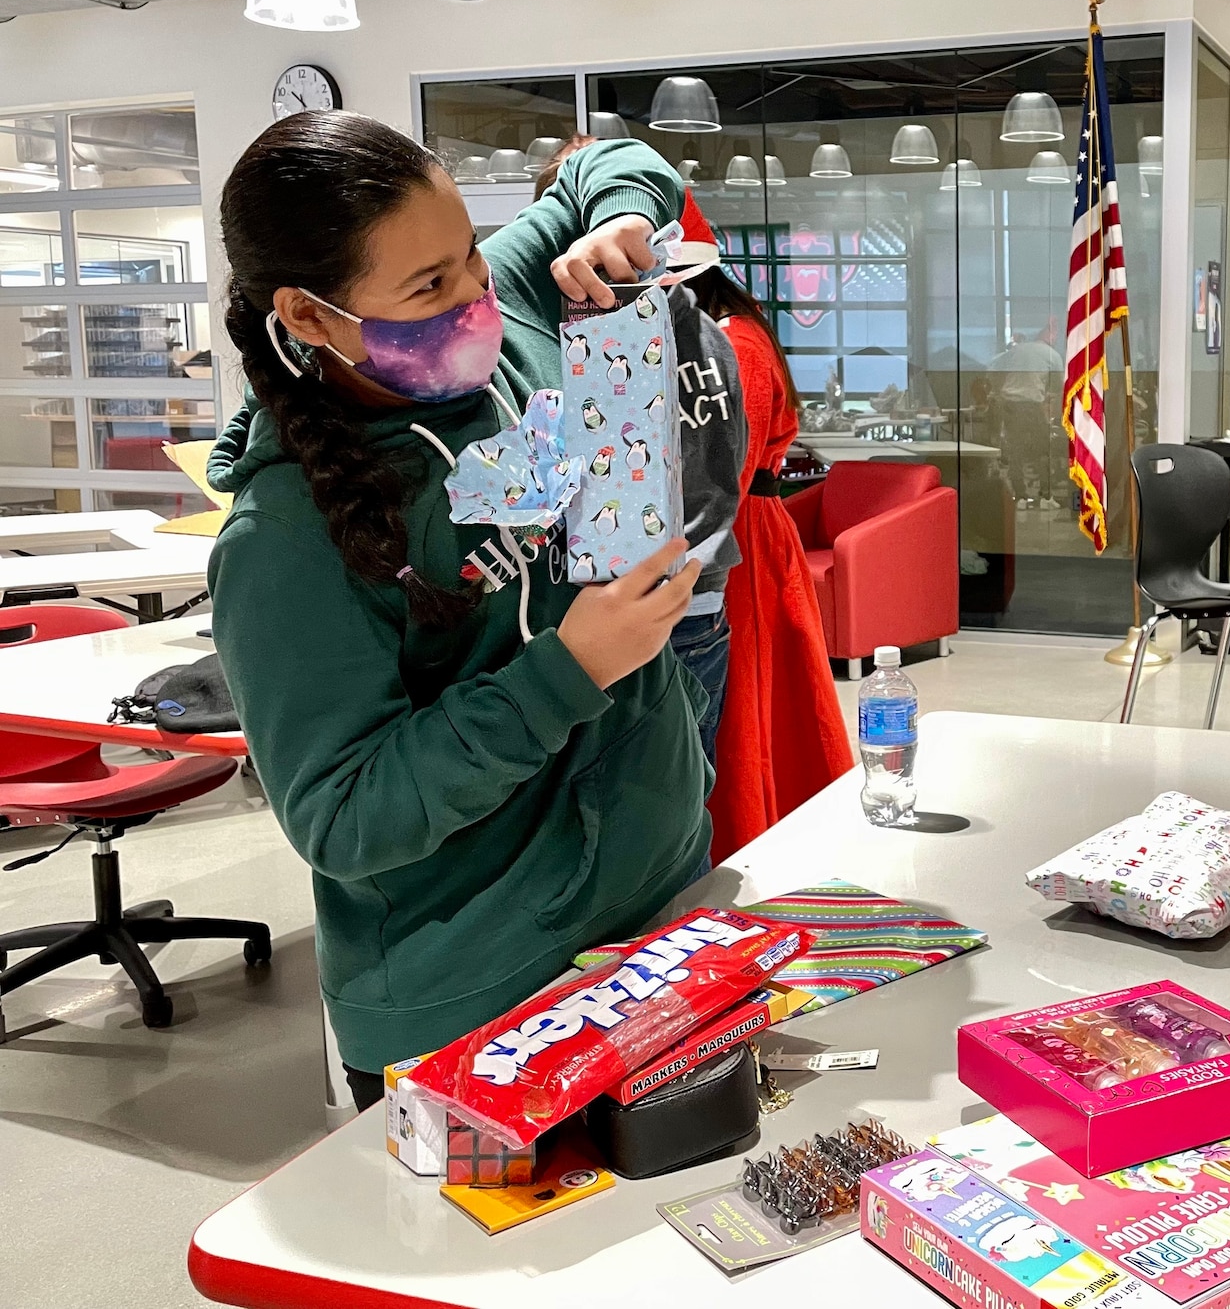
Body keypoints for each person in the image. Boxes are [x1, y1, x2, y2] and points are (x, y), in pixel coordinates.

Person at [209, 112, 713, 1110]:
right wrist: (570, 672)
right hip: (479, 994)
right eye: (427, 288)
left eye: (471, 257)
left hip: (657, 900)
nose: (475, 296)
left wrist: (615, 219)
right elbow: (343, 816)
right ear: (308, 316)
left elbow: (617, 160)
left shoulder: (508, 305)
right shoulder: (282, 541)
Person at [534, 150, 747, 767]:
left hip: (623, 601)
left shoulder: (590, 342)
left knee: (633, 780)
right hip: (700, 587)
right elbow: (729, 452)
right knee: (689, 773)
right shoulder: (706, 329)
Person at [688, 254, 854, 862]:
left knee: (746, 702)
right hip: (742, 528)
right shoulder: (734, 332)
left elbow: (730, 457)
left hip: (741, 535)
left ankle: (746, 834)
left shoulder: (736, 341)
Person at [989, 328, 1064, 506]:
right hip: (1031, 405)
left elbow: (994, 368)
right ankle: (1046, 496)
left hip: (1010, 405)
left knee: (1016, 452)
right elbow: (1059, 387)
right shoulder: (1052, 355)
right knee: (1043, 450)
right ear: (1049, 336)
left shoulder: (1017, 350)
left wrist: (998, 393)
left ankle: (1020, 496)